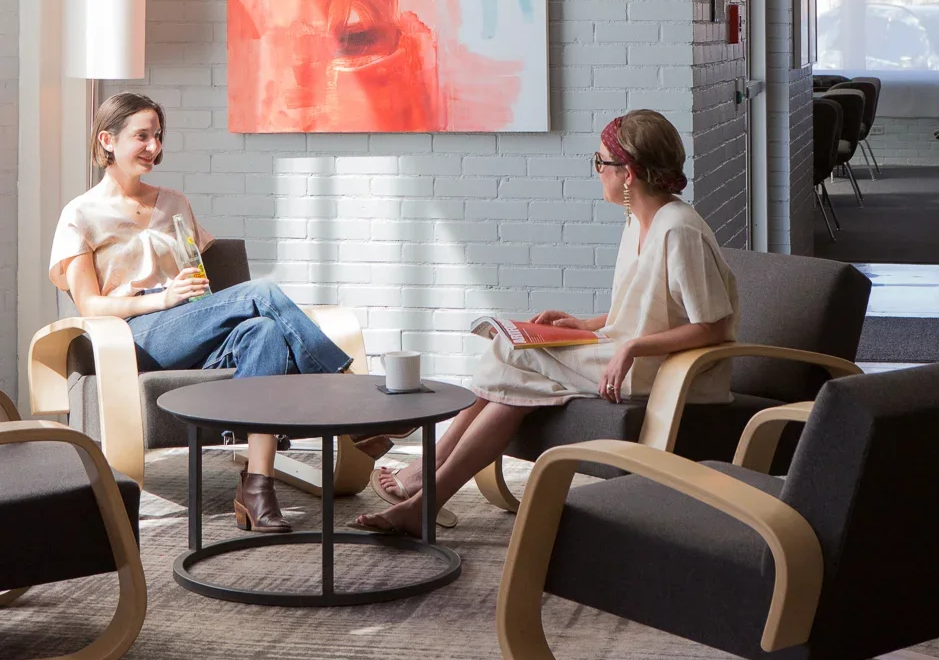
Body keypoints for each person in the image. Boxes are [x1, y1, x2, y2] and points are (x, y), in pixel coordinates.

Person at [356, 108, 739, 537]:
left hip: (663, 374)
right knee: (514, 378)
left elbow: (715, 328)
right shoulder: (636, 220)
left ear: (627, 173)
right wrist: (581, 324)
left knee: (509, 351)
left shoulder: (679, 231)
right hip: (626, 357)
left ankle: (427, 472)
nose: (597, 172)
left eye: (600, 162)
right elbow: (641, 311)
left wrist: (631, 347)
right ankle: (426, 497)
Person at [49, 92, 358, 536]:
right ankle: (343, 390)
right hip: (132, 337)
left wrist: (194, 296)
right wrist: (161, 298)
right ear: (107, 140)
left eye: (158, 136)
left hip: (190, 328)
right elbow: (90, 306)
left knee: (266, 331)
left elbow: (200, 278)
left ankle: (256, 486)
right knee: (263, 291)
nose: (154, 147)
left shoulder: (174, 203)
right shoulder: (79, 215)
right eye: (142, 136)